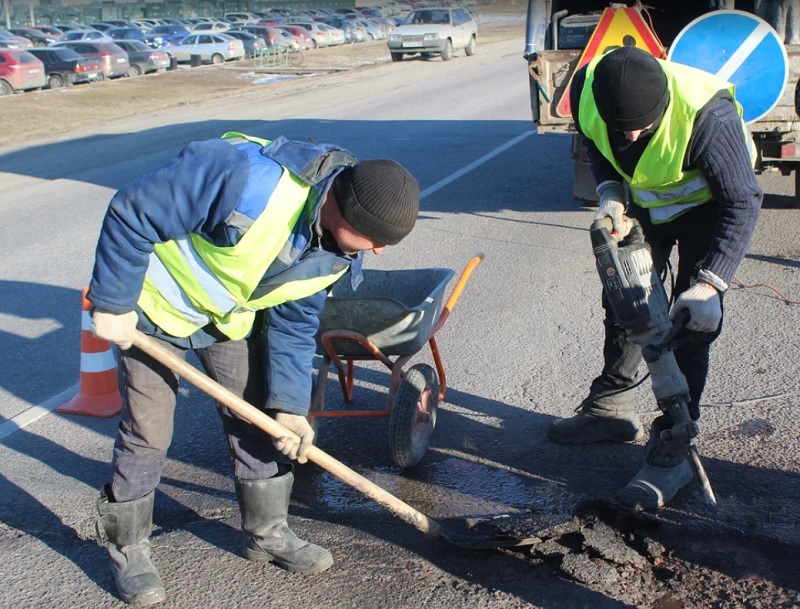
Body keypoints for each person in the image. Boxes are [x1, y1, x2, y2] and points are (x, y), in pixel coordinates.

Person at [88, 132, 419, 606]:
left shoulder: (337, 254)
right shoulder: (246, 178)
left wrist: (289, 406)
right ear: (343, 212)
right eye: (377, 238)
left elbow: (293, 323)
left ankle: (267, 533)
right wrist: (113, 301)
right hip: (151, 310)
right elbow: (132, 211)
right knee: (149, 431)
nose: (380, 251)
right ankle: (128, 548)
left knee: (257, 417)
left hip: (223, 320)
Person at [548, 46, 762, 510]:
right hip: (647, 205)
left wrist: (711, 284)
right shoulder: (587, 90)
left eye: (641, 126)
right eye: (621, 126)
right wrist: (610, 194)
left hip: (711, 206)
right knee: (624, 299)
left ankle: (675, 445)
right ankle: (612, 408)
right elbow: (596, 144)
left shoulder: (709, 117)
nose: (630, 134)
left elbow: (743, 202)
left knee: (689, 323)